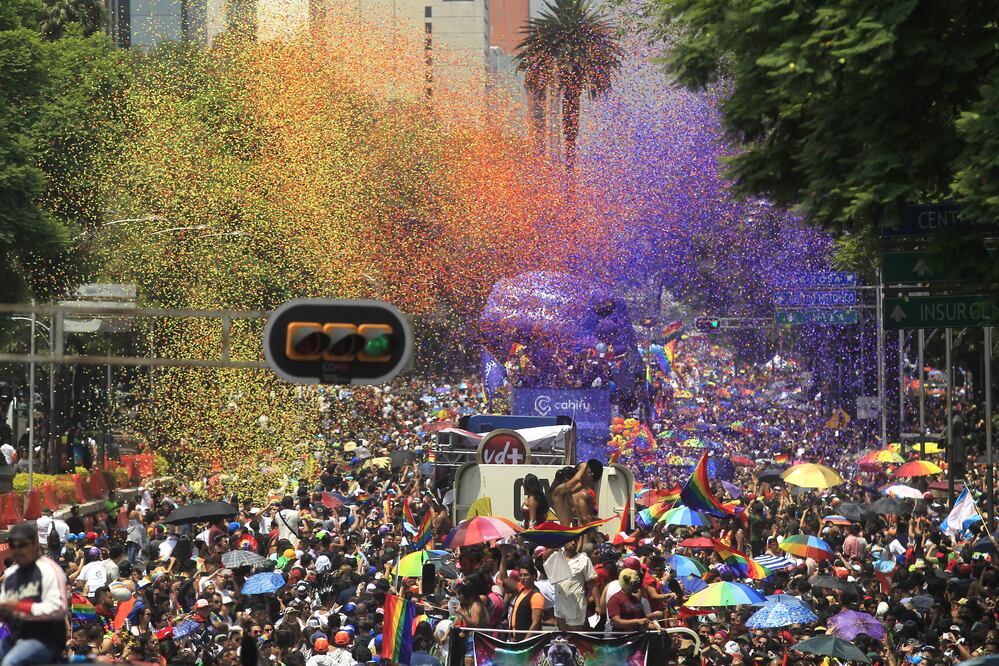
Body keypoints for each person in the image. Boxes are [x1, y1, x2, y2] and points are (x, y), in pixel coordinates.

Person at [0, 522, 68, 665]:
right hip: (16, 635)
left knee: (10, 663)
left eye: (23, 545)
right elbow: (5, 607)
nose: (18, 551)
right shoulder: (11, 574)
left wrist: (19, 606)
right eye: (14, 546)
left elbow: (59, 608)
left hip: (45, 638)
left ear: (35, 544)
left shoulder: (48, 569)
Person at [510, 562, 544, 641]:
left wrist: (525, 641)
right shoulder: (522, 590)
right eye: (521, 575)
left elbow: (535, 623)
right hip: (516, 638)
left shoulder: (536, 596)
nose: (522, 577)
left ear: (533, 576)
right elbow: (504, 579)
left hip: (527, 642)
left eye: (525, 575)